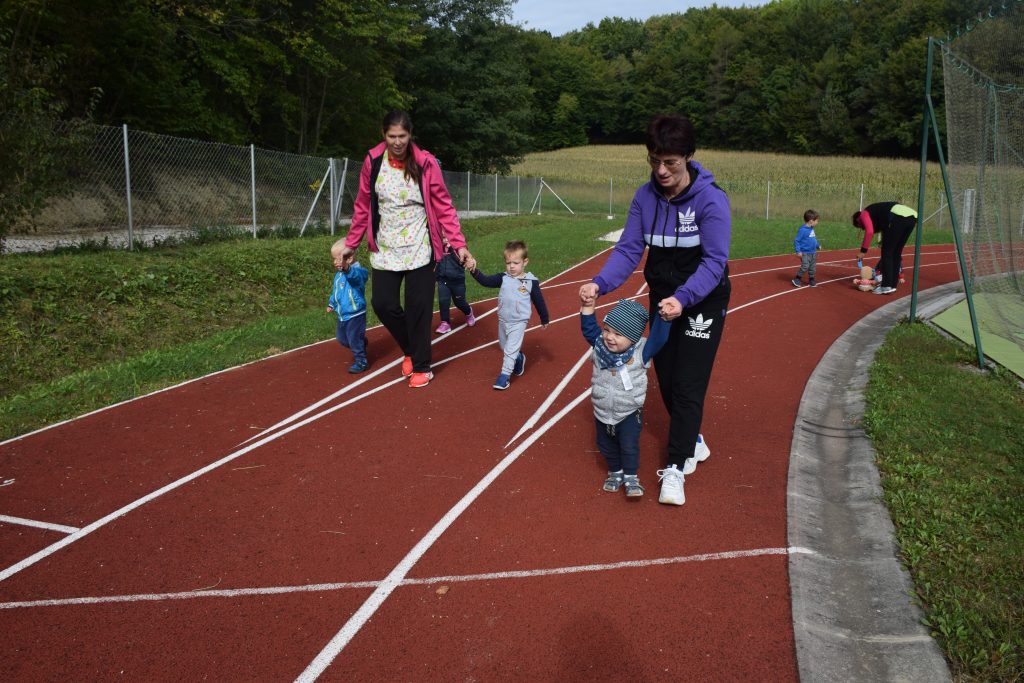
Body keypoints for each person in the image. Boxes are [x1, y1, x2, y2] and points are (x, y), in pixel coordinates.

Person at [579, 113, 726, 506]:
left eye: (670, 163)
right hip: (662, 299)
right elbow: (629, 249)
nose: (660, 170)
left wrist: (685, 298)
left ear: (689, 157)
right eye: (654, 161)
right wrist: (600, 282)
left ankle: (675, 470)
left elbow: (715, 262)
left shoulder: (711, 200)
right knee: (668, 380)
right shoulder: (645, 198)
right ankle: (691, 437)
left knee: (689, 384)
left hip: (701, 298)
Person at [339, 110, 476, 388]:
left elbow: (444, 206)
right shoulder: (373, 161)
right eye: (392, 136)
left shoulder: (425, 163)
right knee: (384, 304)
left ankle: (422, 366)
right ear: (383, 135)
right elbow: (363, 205)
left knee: (419, 308)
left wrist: (458, 244)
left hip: (419, 246)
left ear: (410, 135)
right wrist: (351, 244)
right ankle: (412, 350)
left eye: (402, 136)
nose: (398, 142)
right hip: (386, 247)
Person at [581, 298, 669, 498]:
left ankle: (630, 476)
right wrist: (587, 307)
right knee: (605, 445)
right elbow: (588, 329)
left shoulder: (642, 352)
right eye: (607, 330)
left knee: (628, 445)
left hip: (629, 411)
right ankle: (615, 472)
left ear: (634, 338)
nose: (609, 337)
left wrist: (664, 319)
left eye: (618, 334)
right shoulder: (599, 347)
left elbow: (659, 339)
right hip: (602, 410)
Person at [470, 240, 550, 390]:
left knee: (509, 350)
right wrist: (474, 271)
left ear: (525, 262)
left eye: (515, 262)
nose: (512, 266)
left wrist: (544, 318)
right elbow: (486, 281)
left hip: (519, 321)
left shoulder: (530, 282)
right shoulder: (503, 278)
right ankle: (519, 358)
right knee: (504, 346)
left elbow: (539, 301)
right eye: (508, 263)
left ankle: (504, 376)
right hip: (503, 319)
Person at [851, 202, 918, 295]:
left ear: (858, 221)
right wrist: (883, 241)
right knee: (896, 253)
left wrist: (863, 251)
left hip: (898, 217)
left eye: (860, 227)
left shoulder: (863, 214)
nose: (862, 228)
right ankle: (892, 286)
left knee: (887, 253)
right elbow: (886, 228)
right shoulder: (879, 215)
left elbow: (869, 231)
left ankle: (886, 286)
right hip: (912, 217)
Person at [327, 239, 370, 373]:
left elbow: (355, 278)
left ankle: (361, 361)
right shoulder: (338, 276)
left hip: (355, 313)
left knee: (353, 340)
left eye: (337, 259)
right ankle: (361, 342)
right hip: (342, 314)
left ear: (349, 258)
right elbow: (336, 291)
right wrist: (332, 303)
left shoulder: (358, 272)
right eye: (334, 259)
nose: (335, 262)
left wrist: (347, 269)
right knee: (342, 339)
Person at [435, 239, 476, 334]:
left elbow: (461, 261)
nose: (444, 235)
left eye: (446, 231)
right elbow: (436, 263)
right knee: (443, 301)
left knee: (459, 302)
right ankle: (445, 323)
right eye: (442, 232)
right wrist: (436, 277)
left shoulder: (459, 247)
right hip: (443, 280)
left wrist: (452, 249)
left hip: (457, 281)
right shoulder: (438, 246)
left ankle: (469, 312)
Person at [791, 209, 821, 288]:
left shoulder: (811, 229)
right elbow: (797, 240)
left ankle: (811, 280)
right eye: (816, 221)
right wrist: (798, 251)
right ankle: (797, 278)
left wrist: (817, 245)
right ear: (811, 221)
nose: (817, 223)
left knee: (812, 267)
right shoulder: (803, 230)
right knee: (805, 266)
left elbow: (813, 239)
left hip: (813, 252)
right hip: (805, 253)